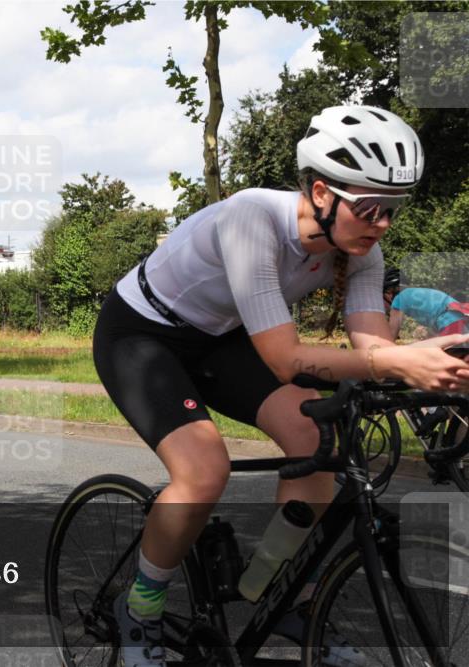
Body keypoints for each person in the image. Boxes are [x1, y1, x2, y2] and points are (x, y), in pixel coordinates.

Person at [92, 105, 469, 667]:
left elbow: (372, 349)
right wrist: (398, 364)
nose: (383, 222)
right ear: (321, 192)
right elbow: (287, 358)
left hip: (220, 339)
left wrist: (444, 365)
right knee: (203, 470)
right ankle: (139, 610)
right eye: (370, 207)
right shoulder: (252, 218)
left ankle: (288, 594)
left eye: (393, 209)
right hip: (142, 336)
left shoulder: (362, 250)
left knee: (322, 444)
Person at [383, 270, 469, 340]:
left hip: (450, 323)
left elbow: (391, 335)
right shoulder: (417, 293)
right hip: (462, 319)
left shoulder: (398, 299)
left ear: (389, 293)